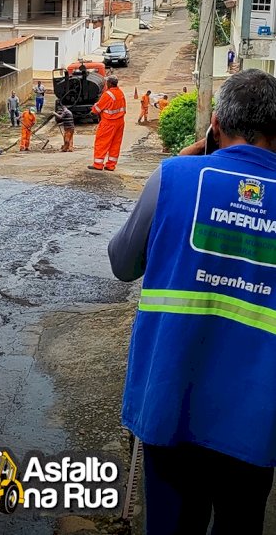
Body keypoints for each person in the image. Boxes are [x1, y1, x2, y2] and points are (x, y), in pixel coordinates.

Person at [108, 70, 276, 535]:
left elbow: (122, 263)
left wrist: (181, 170)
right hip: (257, 420)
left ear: (215, 125)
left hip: (170, 401)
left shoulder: (175, 177)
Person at [89, 75, 126, 171]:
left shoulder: (108, 94)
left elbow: (97, 108)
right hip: (120, 122)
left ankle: (98, 164)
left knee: (102, 142)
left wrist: (93, 109)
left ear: (109, 83)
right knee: (115, 144)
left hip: (108, 123)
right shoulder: (120, 93)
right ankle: (111, 165)